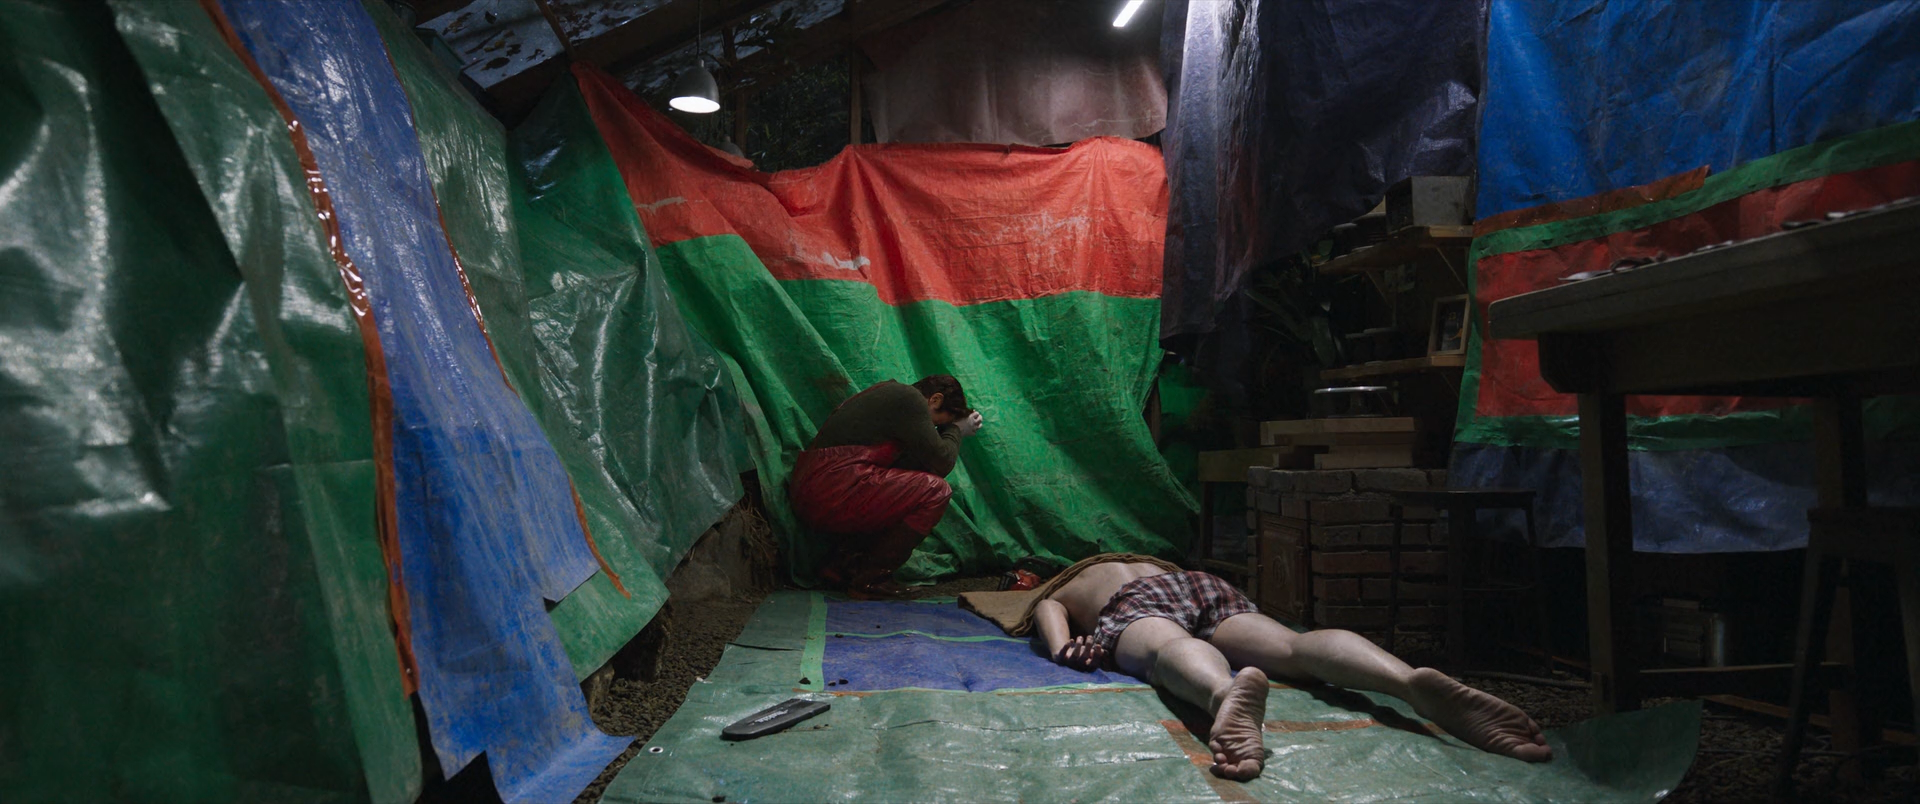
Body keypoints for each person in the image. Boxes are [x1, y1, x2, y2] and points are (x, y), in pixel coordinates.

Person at [1031, 559, 1552, 780]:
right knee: (1294, 646)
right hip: (1205, 583)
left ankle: (1221, 693)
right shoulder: (1160, 563)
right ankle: (1408, 681)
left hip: (1139, 601)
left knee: (1168, 644)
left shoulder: (1084, 576)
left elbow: (1046, 606)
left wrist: (1061, 646)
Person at [788, 376, 984, 598]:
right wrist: (955, 429)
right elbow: (942, 461)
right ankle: (871, 580)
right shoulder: (910, 398)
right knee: (936, 491)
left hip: (822, 486)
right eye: (937, 423)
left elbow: (919, 465)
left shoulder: (892, 397)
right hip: (830, 486)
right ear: (935, 400)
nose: (932, 428)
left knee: (905, 490)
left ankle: (844, 566)